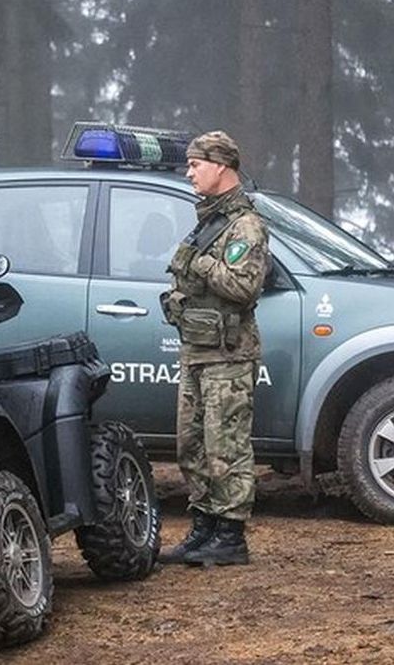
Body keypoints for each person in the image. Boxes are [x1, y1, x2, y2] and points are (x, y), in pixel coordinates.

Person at [158, 131, 269, 566]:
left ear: (220, 165)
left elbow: (243, 285)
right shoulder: (207, 220)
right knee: (192, 445)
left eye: (195, 165)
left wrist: (199, 263)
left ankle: (230, 535)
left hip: (228, 354)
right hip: (197, 351)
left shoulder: (244, 225)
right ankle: (203, 526)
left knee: (227, 445)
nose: (189, 173)